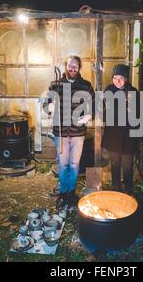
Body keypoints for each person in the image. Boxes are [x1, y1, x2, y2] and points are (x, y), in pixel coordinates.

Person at [46, 55, 95, 210]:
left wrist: (89, 115)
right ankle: (63, 194)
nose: (72, 69)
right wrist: (49, 108)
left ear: (79, 68)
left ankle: (71, 194)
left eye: (75, 66)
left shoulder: (86, 86)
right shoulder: (55, 85)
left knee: (74, 165)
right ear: (65, 66)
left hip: (78, 134)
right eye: (70, 66)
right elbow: (46, 105)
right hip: (60, 134)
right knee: (63, 165)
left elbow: (94, 105)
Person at [102, 64, 140, 195]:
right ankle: (116, 190)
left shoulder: (133, 92)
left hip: (129, 136)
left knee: (128, 166)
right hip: (113, 135)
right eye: (115, 78)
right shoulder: (108, 90)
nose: (118, 81)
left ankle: (129, 191)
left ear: (127, 78)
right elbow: (103, 113)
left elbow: (138, 115)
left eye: (121, 78)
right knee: (115, 164)